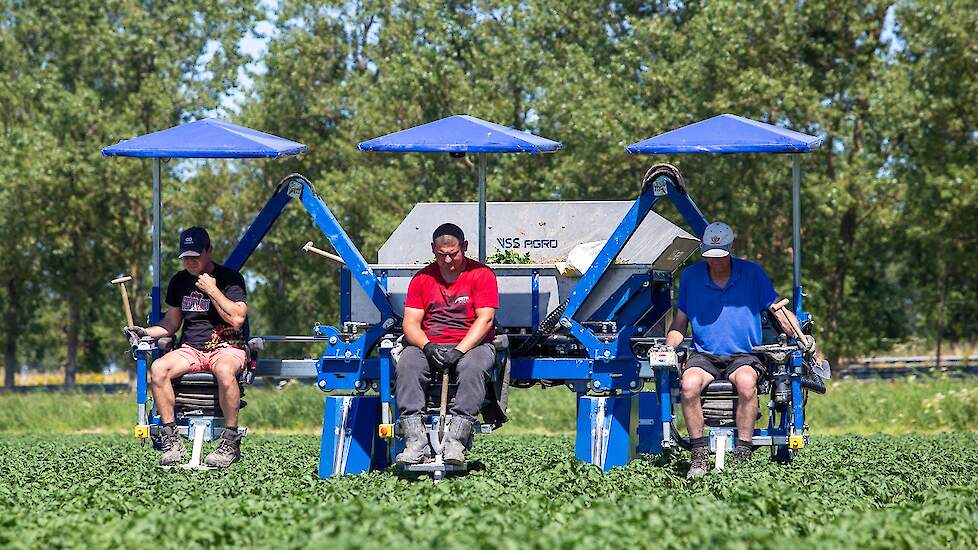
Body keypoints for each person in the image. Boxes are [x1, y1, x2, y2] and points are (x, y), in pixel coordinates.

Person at [665, 222, 811, 478]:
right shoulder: (691, 277)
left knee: (746, 383)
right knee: (688, 385)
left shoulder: (752, 274)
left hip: (744, 354)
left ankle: (743, 451)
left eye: (720, 256)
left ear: (731, 248)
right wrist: (667, 348)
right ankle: (698, 455)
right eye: (710, 257)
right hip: (705, 355)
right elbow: (680, 323)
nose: (716, 262)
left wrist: (799, 335)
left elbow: (778, 309)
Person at [126, 227, 249, 467]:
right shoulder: (179, 281)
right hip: (191, 349)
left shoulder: (231, 279)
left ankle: (230, 441)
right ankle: (172, 440)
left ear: (209, 251)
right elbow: (171, 323)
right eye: (185, 257)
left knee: (224, 370)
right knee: (160, 368)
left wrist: (211, 290)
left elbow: (237, 319)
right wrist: (145, 332)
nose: (190, 261)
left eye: (195, 255)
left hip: (227, 346)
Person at [395, 223, 499, 466]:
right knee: (408, 363)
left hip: (472, 345)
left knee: (473, 368)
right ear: (433, 250)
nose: (448, 260)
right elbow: (410, 323)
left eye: (453, 253)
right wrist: (427, 346)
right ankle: (415, 442)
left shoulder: (482, 275)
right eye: (442, 255)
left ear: (464, 247)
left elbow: (486, 319)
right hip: (430, 343)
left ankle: (456, 441)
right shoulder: (422, 279)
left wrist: (460, 350)